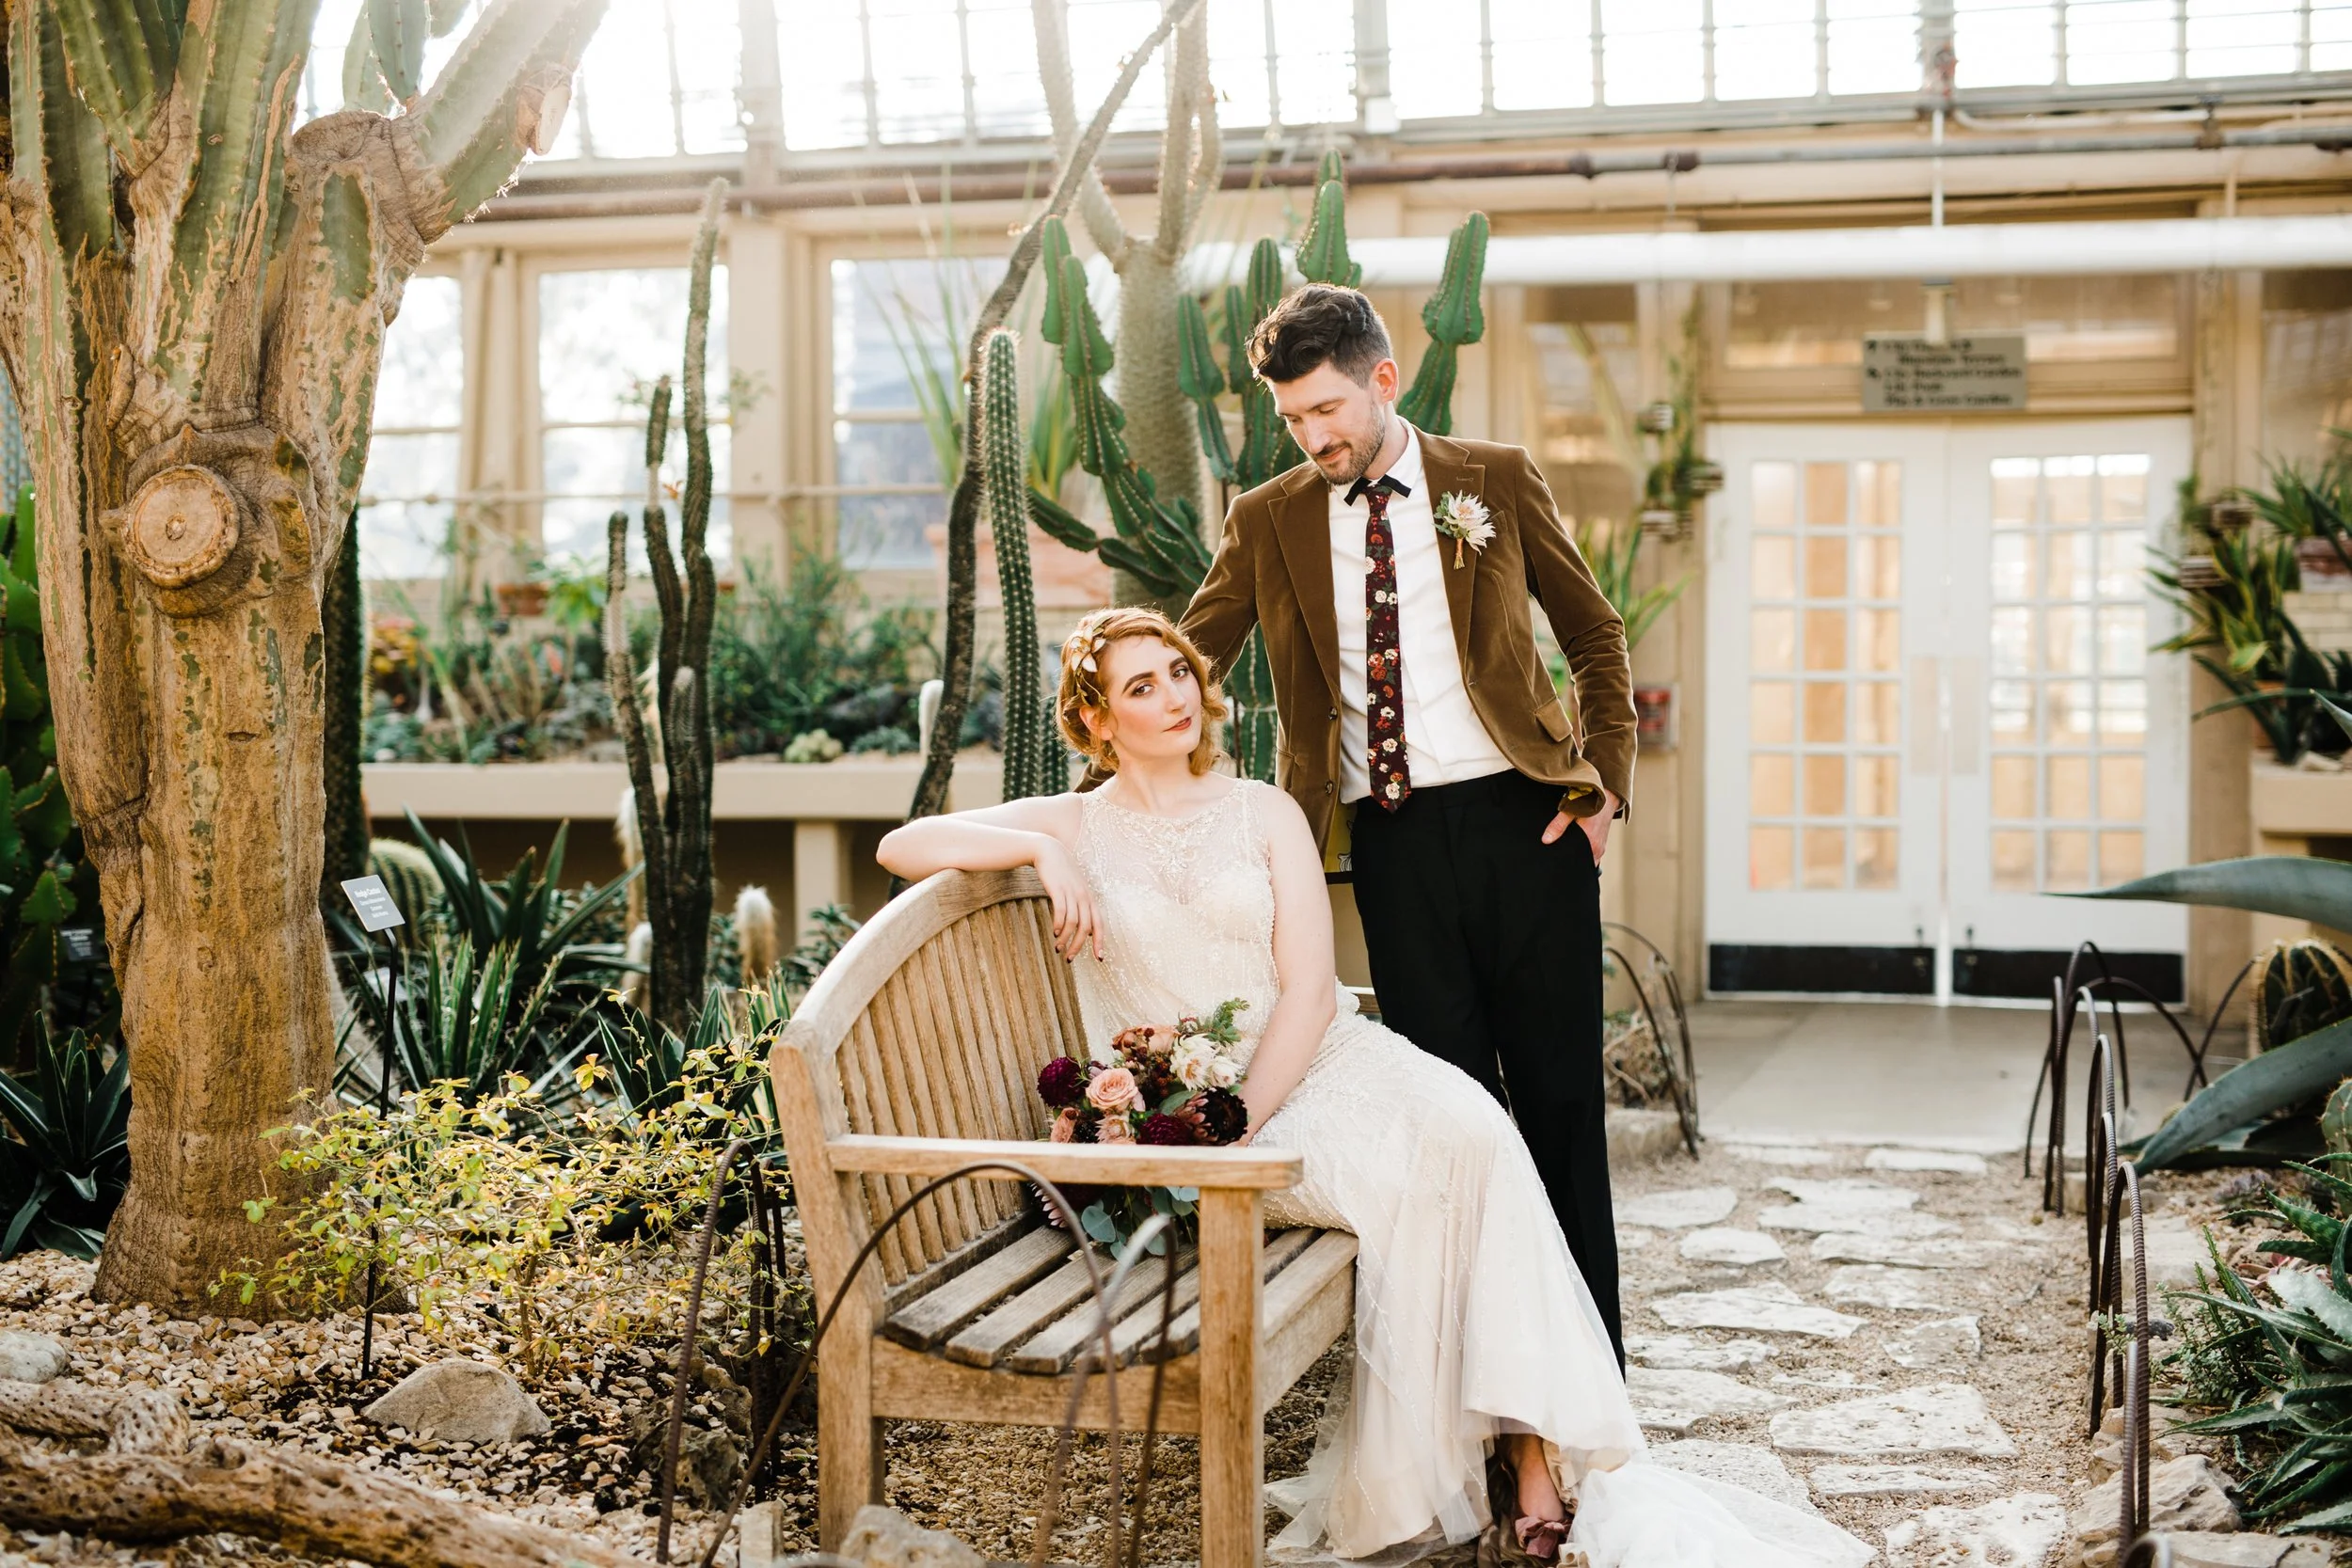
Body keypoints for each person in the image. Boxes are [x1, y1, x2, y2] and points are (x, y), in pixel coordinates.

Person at [876, 610, 1870, 1568]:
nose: (1175, 694)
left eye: (1179, 670)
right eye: (1142, 685)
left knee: (1478, 1131)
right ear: (1096, 720)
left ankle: (1529, 1445)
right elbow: (903, 844)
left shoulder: (1262, 808)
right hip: (1195, 1117)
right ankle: (1478, 1464)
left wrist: (1242, 1116)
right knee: (1419, 1181)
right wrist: (1044, 849)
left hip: (1311, 1067)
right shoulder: (1074, 822)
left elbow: (1311, 991)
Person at [1175, 283, 1633, 1369]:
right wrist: (1131, 784)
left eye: (1327, 408)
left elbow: (1594, 634)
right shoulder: (1267, 517)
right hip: (1391, 846)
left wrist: (1602, 785)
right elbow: (1189, 659)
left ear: (1383, 380)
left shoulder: (1495, 478)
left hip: (1529, 827)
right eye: (1292, 417)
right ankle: (1480, 1381)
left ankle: (1586, 1379)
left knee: (1562, 1106)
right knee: (1453, 1122)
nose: (1313, 435)